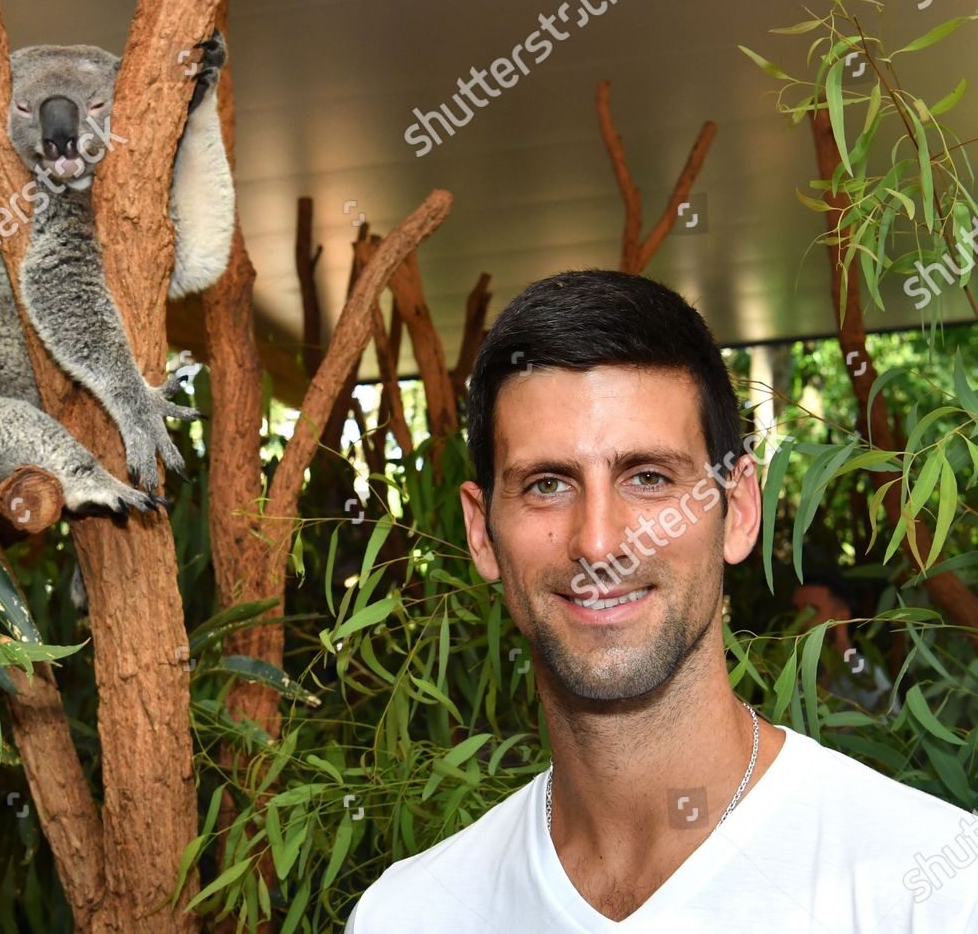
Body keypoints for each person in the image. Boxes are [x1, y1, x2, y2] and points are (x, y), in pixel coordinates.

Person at [349, 270, 978, 932]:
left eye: (649, 477)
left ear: (737, 509)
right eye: (546, 484)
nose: (598, 542)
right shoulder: (411, 913)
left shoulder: (929, 890)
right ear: (481, 532)